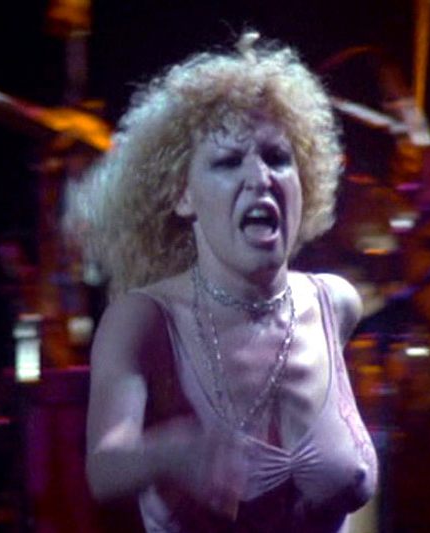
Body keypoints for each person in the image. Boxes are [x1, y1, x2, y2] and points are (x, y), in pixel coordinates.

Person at [73, 32, 377, 532]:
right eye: (228, 162)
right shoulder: (143, 319)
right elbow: (104, 468)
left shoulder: (337, 304)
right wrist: (170, 451)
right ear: (182, 196)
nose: (260, 178)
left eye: (277, 158)